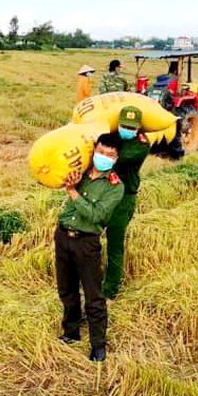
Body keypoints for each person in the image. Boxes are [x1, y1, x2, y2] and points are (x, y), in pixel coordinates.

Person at [56, 134, 124, 362]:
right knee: (67, 290)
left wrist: (73, 192)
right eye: (101, 152)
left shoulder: (115, 187)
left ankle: (98, 345)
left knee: (93, 295)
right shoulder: (81, 171)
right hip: (63, 236)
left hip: (87, 243)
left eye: (110, 155)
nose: (103, 157)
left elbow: (97, 215)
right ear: (94, 149)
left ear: (116, 158)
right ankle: (71, 331)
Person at [103, 106, 150, 300]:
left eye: (130, 127)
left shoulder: (141, 144)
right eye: (123, 125)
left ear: (138, 127)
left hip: (124, 197)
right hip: (104, 192)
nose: (126, 129)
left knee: (114, 242)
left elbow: (118, 158)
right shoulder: (111, 135)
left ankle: (110, 289)